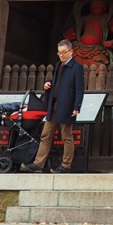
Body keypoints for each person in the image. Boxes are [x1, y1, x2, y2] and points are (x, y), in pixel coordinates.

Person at [23, 39, 85, 173]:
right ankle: (39, 164)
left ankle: (66, 165)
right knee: (46, 134)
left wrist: (77, 106)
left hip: (67, 105)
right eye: (59, 53)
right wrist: (48, 84)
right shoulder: (58, 65)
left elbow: (79, 88)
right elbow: (57, 82)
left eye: (64, 52)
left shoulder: (76, 67)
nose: (62, 55)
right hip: (54, 104)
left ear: (71, 52)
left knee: (66, 136)